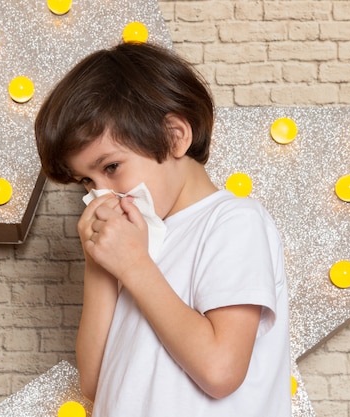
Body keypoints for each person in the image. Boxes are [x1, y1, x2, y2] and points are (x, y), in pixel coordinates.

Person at [34, 42, 290, 417]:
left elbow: (220, 371)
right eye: (85, 182)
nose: (101, 194)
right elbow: (94, 383)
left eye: (110, 168)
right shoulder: (138, 242)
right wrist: (99, 263)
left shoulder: (233, 222)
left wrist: (134, 265)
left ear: (174, 136)